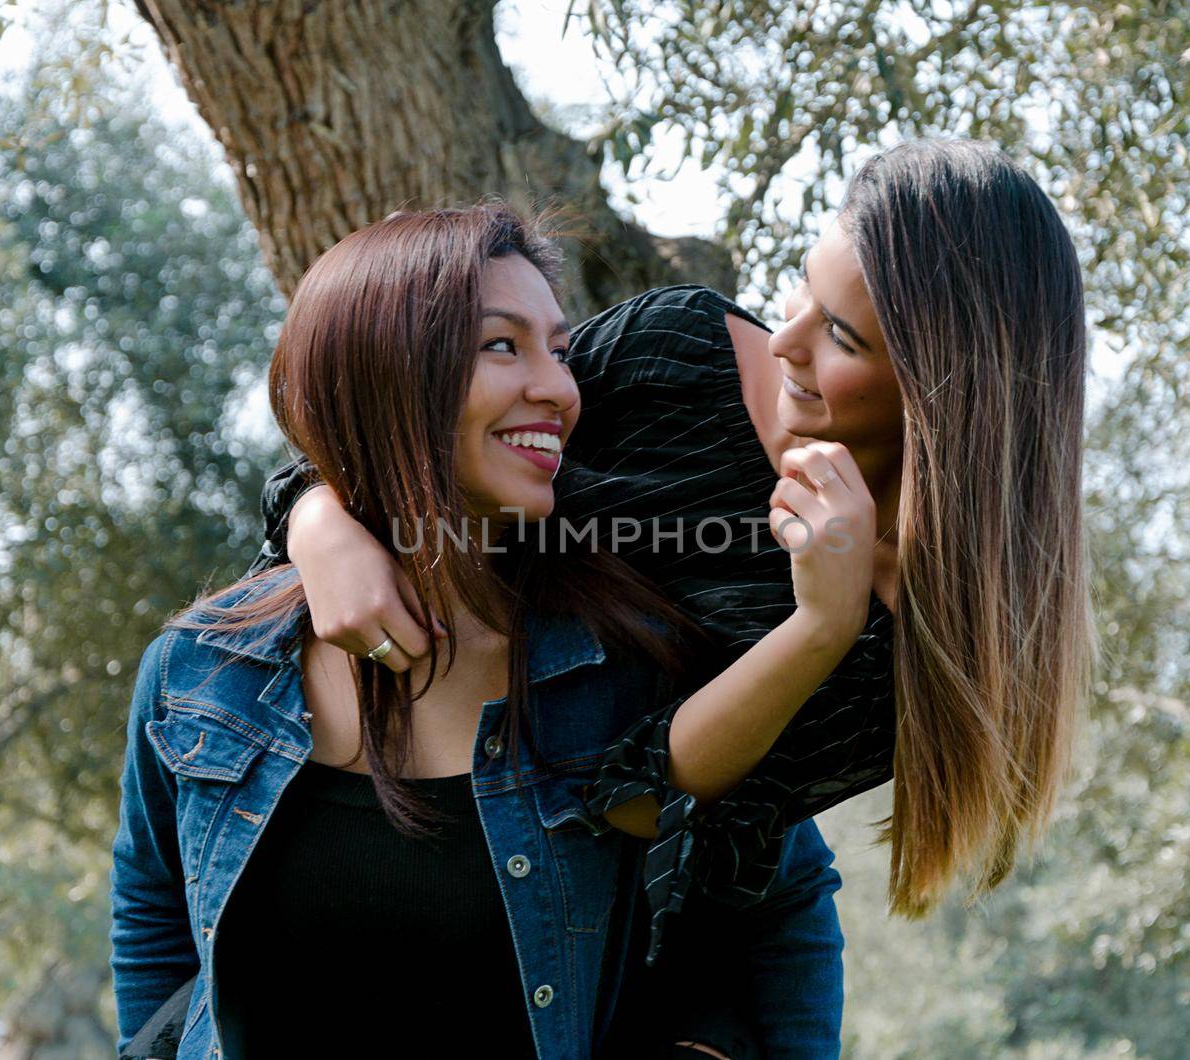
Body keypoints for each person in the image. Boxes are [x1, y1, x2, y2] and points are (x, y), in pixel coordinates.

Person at [248, 139, 1099, 961]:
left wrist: (819, 629)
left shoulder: (919, 655)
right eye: (800, 293)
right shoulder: (678, 351)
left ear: (946, 390)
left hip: (544, 936)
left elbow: (632, 808)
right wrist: (320, 525)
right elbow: (411, 428)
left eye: (840, 336)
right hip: (344, 795)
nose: (783, 341)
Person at [109, 203, 866, 1059]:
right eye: (503, 345)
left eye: (561, 351)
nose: (559, 389)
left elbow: (779, 905)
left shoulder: (632, 658)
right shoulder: (198, 673)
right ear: (384, 373)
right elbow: (153, 913)